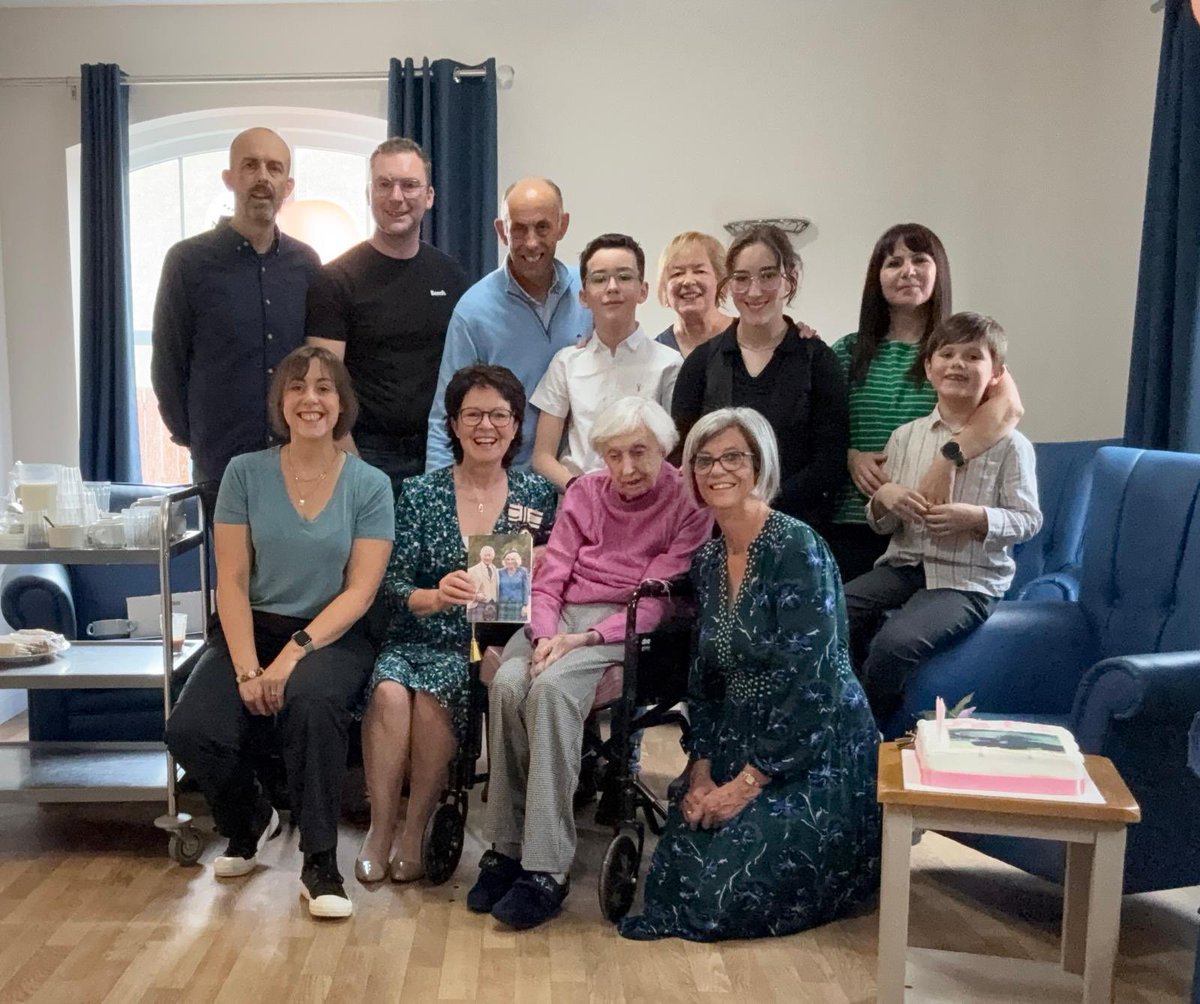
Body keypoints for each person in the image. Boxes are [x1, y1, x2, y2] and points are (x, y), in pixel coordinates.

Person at [618, 406, 880, 942]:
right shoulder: (708, 561)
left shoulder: (798, 548)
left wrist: (747, 782)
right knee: (673, 877)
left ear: (760, 465)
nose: (718, 470)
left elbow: (816, 679)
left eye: (734, 457)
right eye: (705, 460)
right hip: (740, 735)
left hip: (814, 742)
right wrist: (703, 770)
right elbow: (707, 678)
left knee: (722, 894)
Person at [164, 345, 394, 919]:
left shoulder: (370, 485)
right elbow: (233, 582)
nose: (310, 398)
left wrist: (291, 657)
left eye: (323, 387)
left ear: (341, 404)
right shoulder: (244, 473)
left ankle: (320, 864)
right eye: (297, 387)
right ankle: (250, 819)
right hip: (251, 626)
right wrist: (247, 669)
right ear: (280, 402)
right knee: (191, 730)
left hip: (332, 633)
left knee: (312, 705)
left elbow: (359, 592)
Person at [468, 397, 712, 930]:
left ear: (665, 450)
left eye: (640, 453)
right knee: (507, 686)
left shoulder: (687, 503)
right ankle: (506, 848)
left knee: (552, 693)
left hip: (623, 625)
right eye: (614, 454)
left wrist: (582, 641)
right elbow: (551, 574)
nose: (626, 468)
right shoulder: (583, 492)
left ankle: (546, 870)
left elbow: (656, 599)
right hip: (557, 617)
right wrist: (547, 636)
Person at [357, 365, 557, 884]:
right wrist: (435, 593)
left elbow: (554, 580)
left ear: (516, 426)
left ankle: (415, 829)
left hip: (492, 643)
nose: (485, 426)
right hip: (419, 631)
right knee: (390, 693)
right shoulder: (421, 493)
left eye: (498, 415)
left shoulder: (537, 497)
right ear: (453, 423)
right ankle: (380, 828)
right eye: (473, 414)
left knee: (431, 695)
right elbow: (393, 586)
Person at [844, 312, 1042, 726]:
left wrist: (977, 518)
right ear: (929, 370)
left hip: (968, 580)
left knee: (895, 644)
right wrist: (885, 496)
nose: (957, 363)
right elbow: (882, 525)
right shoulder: (904, 437)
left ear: (996, 374)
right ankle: (832, 711)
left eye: (973, 357)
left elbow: (1028, 519)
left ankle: (866, 730)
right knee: (832, 610)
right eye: (947, 354)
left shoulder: (1012, 446)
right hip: (904, 566)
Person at [826, 223, 1025, 582]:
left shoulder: (960, 354)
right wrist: (850, 456)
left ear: (938, 272)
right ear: (877, 277)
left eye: (919, 259)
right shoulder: (847, 350)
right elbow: (819, 428)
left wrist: (946, 459)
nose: (907, 271)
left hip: (928, 531)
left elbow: (1008, 409)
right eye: (893, 262)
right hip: (855, 519)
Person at [151, 127, 321, 522]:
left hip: (296, 462)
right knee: (228, 582)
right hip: (221, 466)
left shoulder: (307, 265)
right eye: (250, 165)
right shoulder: (187, 262)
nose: (263, 177)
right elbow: (168, 363)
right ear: (230, 178)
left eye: (274, 168)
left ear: (287, 185)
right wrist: (196, 438)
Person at [306, 137, 469, 491]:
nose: (396, 197)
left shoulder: (451, 276)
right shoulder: (335, 280)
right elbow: (323, 387)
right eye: (384, 184)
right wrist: (356, 475)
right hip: (365, 457)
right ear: (369, 195)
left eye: (409, 185)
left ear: (429, 196)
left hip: (441, 454)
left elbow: (469, 369)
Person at [671, 224, 848, 530]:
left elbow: (828, 466)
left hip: (795, 529)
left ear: (788, 281)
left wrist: (759, 507)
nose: (754, 291)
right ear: (728, 285)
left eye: (767, 276)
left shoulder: (818, 361)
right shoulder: (701, 364)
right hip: (716, 530)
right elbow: (682, 455)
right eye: (741, 278)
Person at [425, 178, 593, 471]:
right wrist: (440, 499)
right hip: (503, 486)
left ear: (562, 225)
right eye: (519, 228)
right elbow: (447, 414)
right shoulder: (473, 311)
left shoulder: (590, 293)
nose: (531, 242)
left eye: (542, 227)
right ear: (502, 231)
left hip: (581, 486)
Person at [531, 233, 682, 491]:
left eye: (624, 277)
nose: (612, 287)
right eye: (599, 279)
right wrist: (580, 489)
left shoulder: (669, 363)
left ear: (643, 290)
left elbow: (674, 451)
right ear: (584, 296)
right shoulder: (566, 363)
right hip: (579, 502)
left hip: (647, 503)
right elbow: (542, 457)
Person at [654, 231, 736, 356]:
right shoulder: (657, 352)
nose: (687, 281)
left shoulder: (748, 339)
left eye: (699, 271)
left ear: (720, 280)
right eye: (677, 273)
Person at [465, 544, 499, 622]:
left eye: (489, 555)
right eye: (485, 555)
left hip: (493, 604)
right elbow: (465, 589)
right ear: (480, 556)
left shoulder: (496, 570)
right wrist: (475, 596)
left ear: (493, 556)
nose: (487, 557)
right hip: (477, 605)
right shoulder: (471, 570)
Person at [496, 549, 530, 621]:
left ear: (516, 560)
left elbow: (526, 589)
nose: (510, 561)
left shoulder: (523, 571)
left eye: (512, 559)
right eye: (507, 559)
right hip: (503, 604)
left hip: (518, 604)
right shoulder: (500, 572)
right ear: (504, 561)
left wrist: (525, 606)